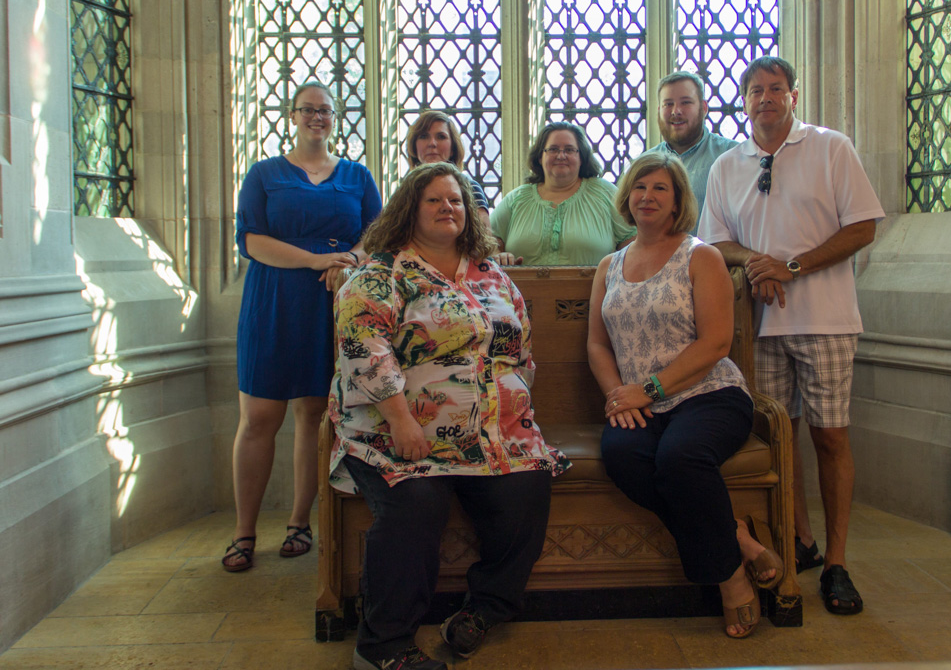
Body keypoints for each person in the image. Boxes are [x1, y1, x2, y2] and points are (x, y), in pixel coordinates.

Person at [329, 162, 571, 670]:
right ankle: (384, 647)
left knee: (527, 489)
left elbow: (520, 348)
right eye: (434, 200)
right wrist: (400, 419)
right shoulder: (380, 274)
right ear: (409, 210)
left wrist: (516, 405)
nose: (448, 208)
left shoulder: (492, 275)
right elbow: (361, 347)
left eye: (456, 200)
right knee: (416, 504)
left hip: (493, 437)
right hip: (396, 433)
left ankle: (482, 612)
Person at [699, 56, 885, 616]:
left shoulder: (831, 148)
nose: (765, 99)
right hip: (759, 327)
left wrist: (793, 266)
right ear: (744, 100)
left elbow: (864, 226)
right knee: (780, 438)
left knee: (829, 438)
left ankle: (837, 563)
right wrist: (757, 261)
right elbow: (714, 244)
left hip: (825, 319)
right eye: (755, 91)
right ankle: (799, 541)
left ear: (793, 96)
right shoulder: (729, 165)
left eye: (775, 89)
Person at [588, 153, 784, 639]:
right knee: (622, 458)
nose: (647, 196)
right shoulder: (609, 265)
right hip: (638, 404)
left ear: (677, 201)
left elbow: (717, 341)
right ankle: (736, 538)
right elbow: (596, 342)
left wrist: (648, 388)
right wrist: (618, 394)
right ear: (627, 198)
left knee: (680, 459)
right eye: (639, 187)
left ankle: (729, 580)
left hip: (708, 394)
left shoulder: (701, 255)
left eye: (660, 188)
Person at [224, 81, 383, 573]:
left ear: (336, 118)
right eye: (308, 110)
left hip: (333, 302)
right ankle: (244, 532)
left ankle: (300, 522)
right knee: (259, 419)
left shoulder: (357, 175)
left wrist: (349, 260)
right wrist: (318, 258)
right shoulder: (264, 174)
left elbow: (378, 238)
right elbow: (252, 240)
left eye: (326, 111)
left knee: (314, 416)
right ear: (292, 116)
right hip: (273, 303)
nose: (318, 117)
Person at [490, 122, 635, 265]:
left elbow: (634, 239)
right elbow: (486, 238)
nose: (561, 155)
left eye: (570, 150)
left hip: (594, 288)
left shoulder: (605, 193)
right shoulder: (517, 198)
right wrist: (497, 255)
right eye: (553, 149)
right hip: (522, 288)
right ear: (540, 157)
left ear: (581, 158)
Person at [642, 71, 738, 234]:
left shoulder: (732, 156)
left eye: (685, 102)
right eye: (668, 104)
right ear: (659, 110)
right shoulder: (643, 165)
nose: (676, 111)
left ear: (704, 108)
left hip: (718, 258)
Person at [403, 109, 492, 227]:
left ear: (453, 148)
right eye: (424, 136)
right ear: (414, 146)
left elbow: (484, 238)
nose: (432, 143)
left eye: (441, 137)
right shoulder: (404, 190)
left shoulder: (470, 188)